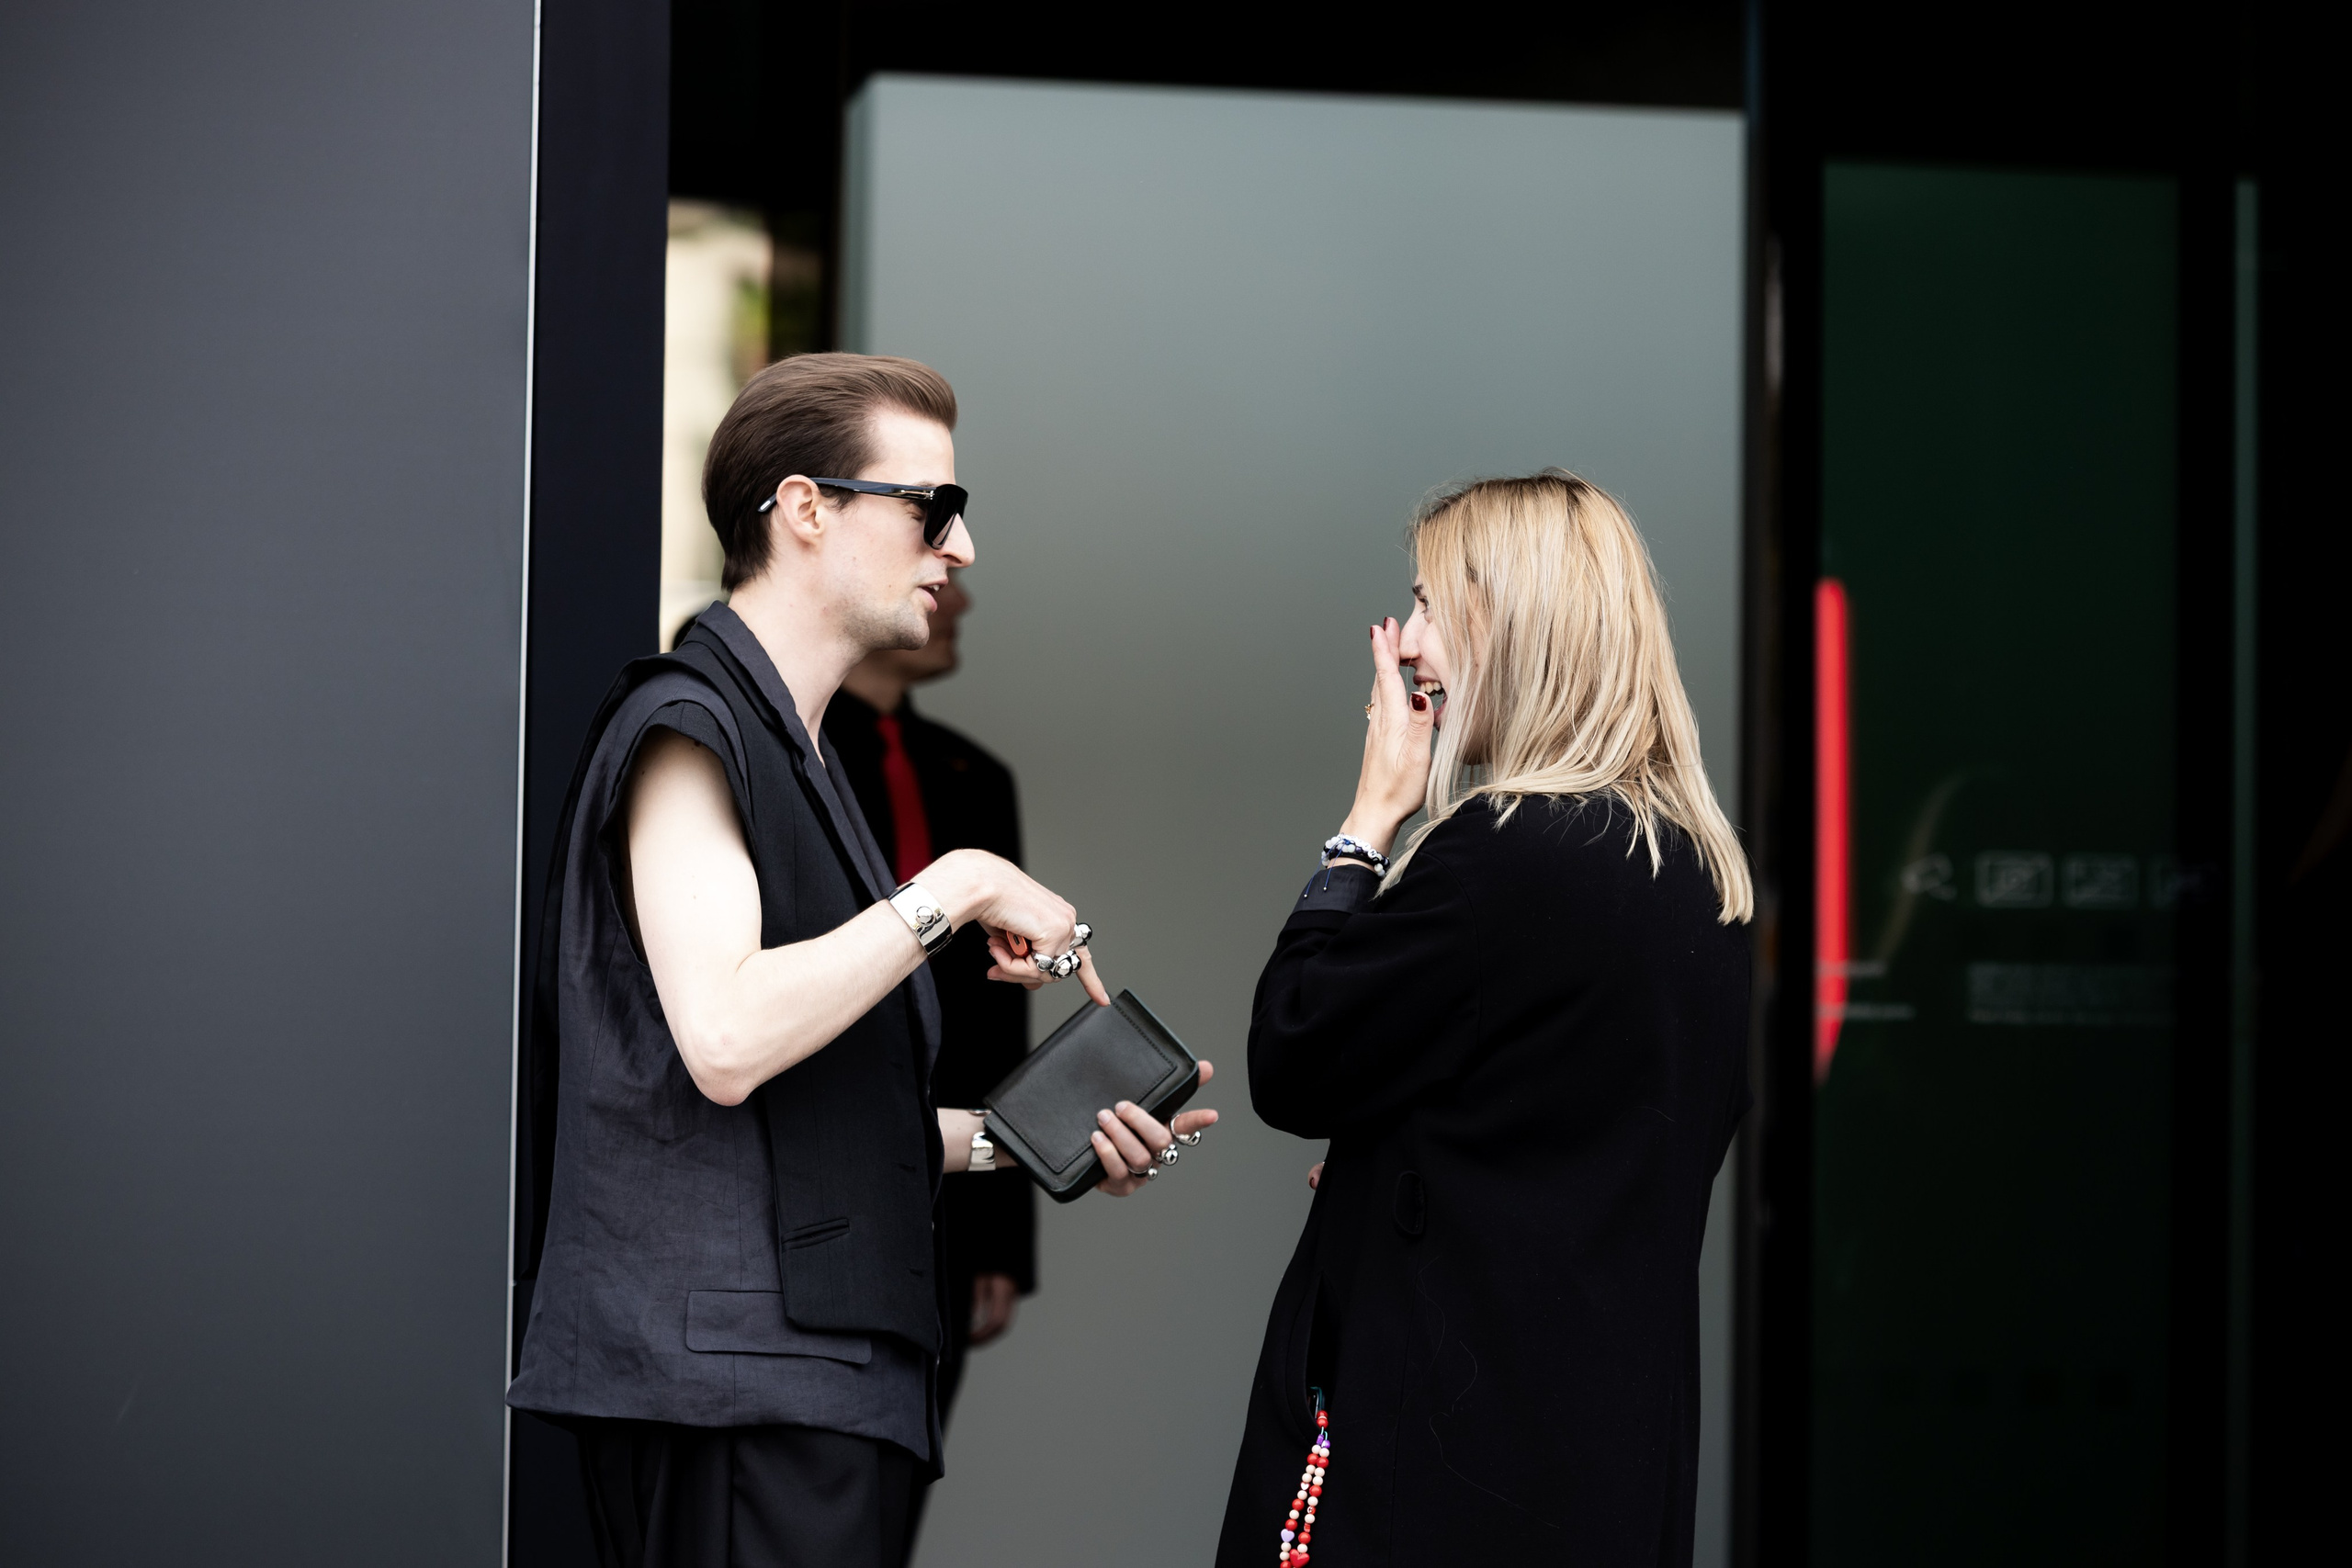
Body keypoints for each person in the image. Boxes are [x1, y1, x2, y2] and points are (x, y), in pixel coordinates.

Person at [507, 352, 1215, 1568]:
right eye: (933, 507)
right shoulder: (692, 722)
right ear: (805, 507)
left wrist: (1024, 1141)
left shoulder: (800, 753)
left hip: (806, 1383)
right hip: (744, 1386)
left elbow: (808, 1108)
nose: (962, 547)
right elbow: (726, 1041)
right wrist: (959, 883)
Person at [1214, 469, 1752, 1568]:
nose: (1406, 642)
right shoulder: (1701, 874)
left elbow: (1293, 1055)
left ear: (1508, 621)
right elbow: (1559, 1134)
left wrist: (1367, 823)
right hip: (1598, 1455)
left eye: (1425, 605)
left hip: (1441, 1462)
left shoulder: (1510, 852)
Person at [831, 570, 1035, 1423]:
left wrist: (1000, 1237)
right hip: (815, 1156)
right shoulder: (788, 759)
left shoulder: (976, 777)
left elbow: (998, 1019)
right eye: (940, 579)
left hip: (947, 1193)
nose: (959, 600)